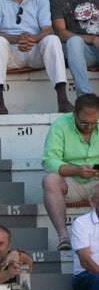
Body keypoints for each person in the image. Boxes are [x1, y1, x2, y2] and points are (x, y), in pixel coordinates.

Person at [0, 0, 71, 116]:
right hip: (10, 53)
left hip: (34, 51)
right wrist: (18, 39)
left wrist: (33, 39)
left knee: (52, 40)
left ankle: (62, 98)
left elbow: (47, 29)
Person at [42, 95, 99, 252]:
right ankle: (63, 238)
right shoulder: (60, 126)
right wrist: (77, 170)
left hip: (97, 181)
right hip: (71, 181)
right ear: (74, 113)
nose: (89, 127)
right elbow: (49, 161)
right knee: (50, 180)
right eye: (84, 122)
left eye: (94, 123)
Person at [49, 0, 99, 97]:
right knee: (74, 41)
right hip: (82, 52)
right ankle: (85, 96)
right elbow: (61, 32)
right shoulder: (56, 1)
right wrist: (93, 39)